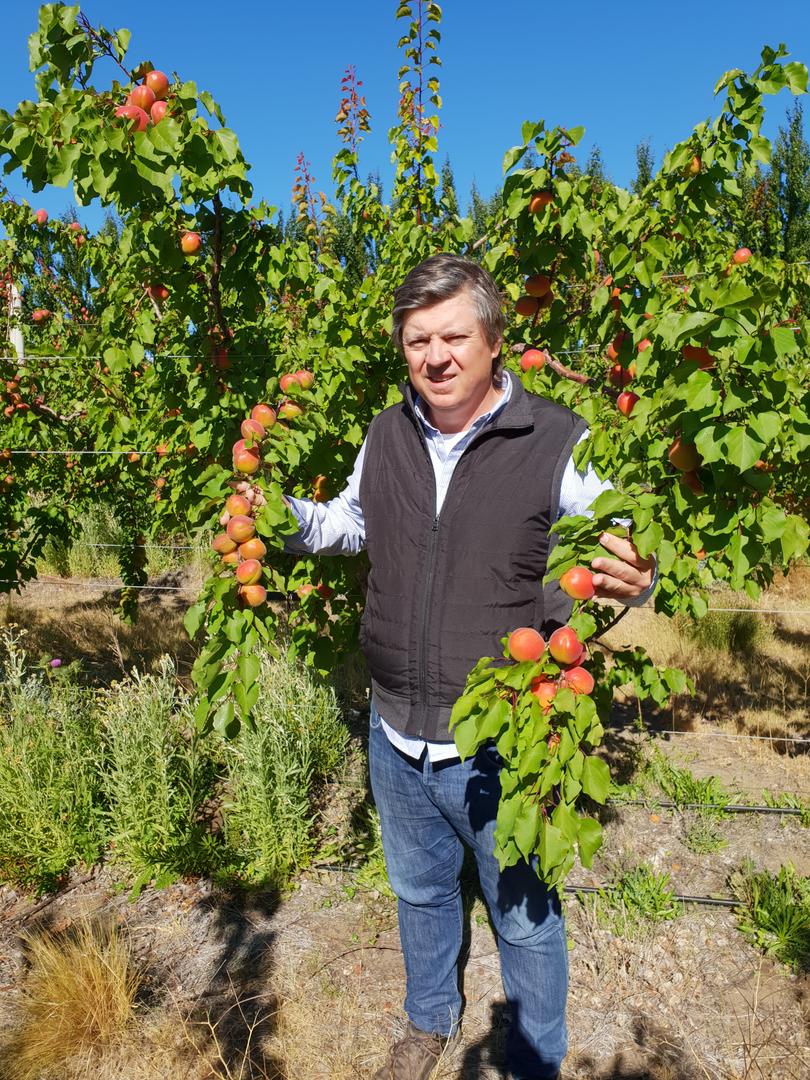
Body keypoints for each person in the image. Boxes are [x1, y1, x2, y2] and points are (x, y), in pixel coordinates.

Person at [285, 254, 655, 1080]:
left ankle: (533, 1056)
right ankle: (428, 1020)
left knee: (524, 917)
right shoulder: (386, 431)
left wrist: (640, 566)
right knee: (418, 896)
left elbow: (619, 536)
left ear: (493, 341)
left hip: (502, 738)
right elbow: (350, 521)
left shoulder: (556, 438)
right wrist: (281, 519)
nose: (435, 355)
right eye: (418, 340)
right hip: (394, 729)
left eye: (454, 335)